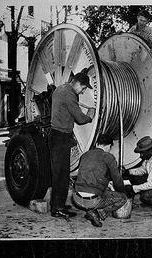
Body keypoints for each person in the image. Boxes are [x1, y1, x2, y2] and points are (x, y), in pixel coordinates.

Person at [48, 72, 96, 221]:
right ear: (79, 84)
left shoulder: (61, 89)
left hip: (57, 135)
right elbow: (80, 119)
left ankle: (59, 204)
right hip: (60, 137)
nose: (82, 92)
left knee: (60, 174)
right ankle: (58, 209)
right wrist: (90, 115)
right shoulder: (69, 95)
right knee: (61, 175)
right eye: (83, 89)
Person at [73, 134, 127, 227]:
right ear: (109, 146)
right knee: (122, 198)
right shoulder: (108, 157)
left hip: (77, 198)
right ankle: (97, 213)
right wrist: (123, 192)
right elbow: (117, 180)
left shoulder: (85, 155)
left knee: (106, 190)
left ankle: (91, 211)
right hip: (92, 200)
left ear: (97, 144)